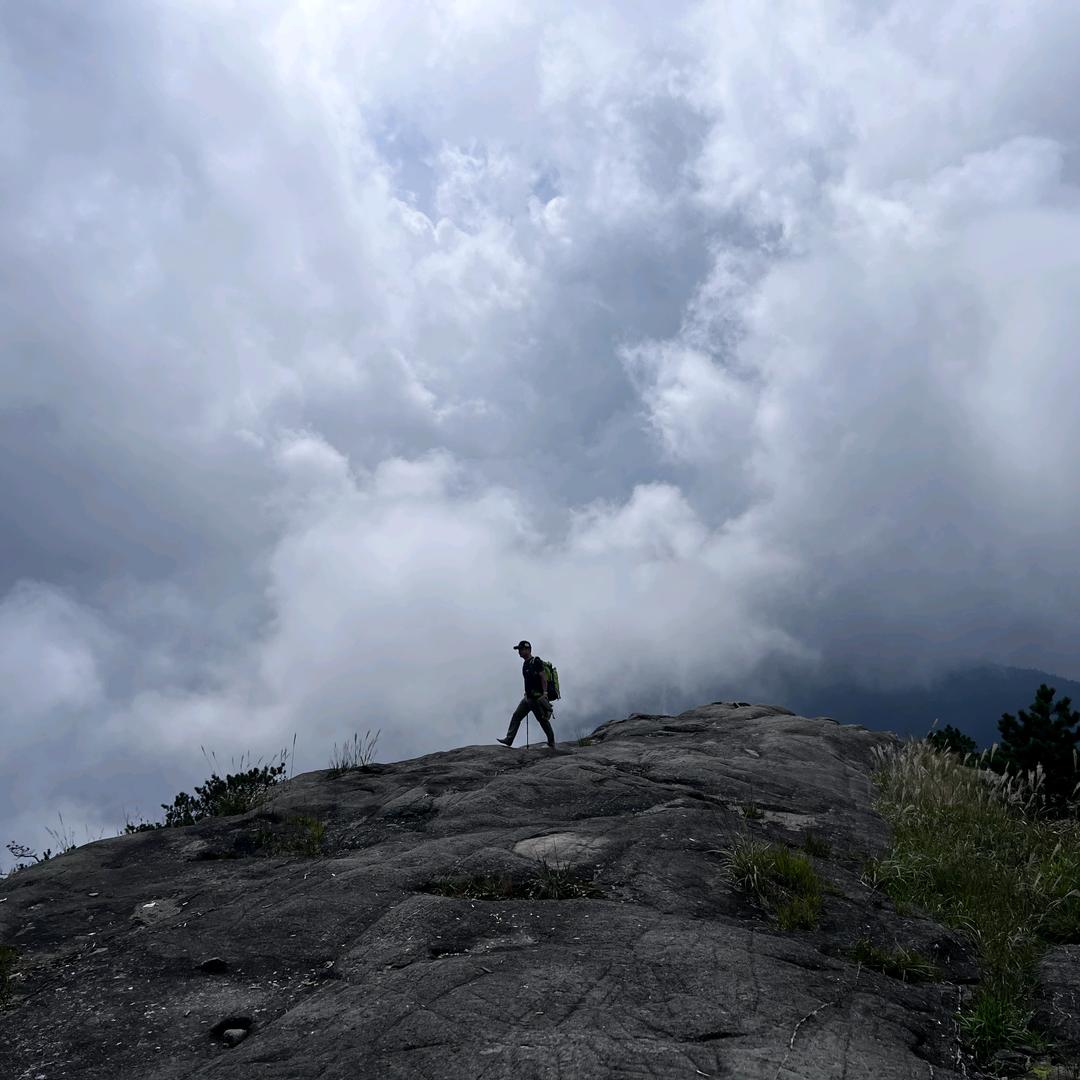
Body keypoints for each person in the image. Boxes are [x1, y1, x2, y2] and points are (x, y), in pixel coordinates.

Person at [497, 640, 556, 749]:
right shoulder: (525, 663)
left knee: (542, 720)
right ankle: (509, 739)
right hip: (528, 698)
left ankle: (551, 742)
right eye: (518, 649)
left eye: (521, 649)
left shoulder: (536, 661)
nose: (519, 651)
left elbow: (543, 677)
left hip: (537, 698)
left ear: (528, 649)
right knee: (516, 716)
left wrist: (545, 693)